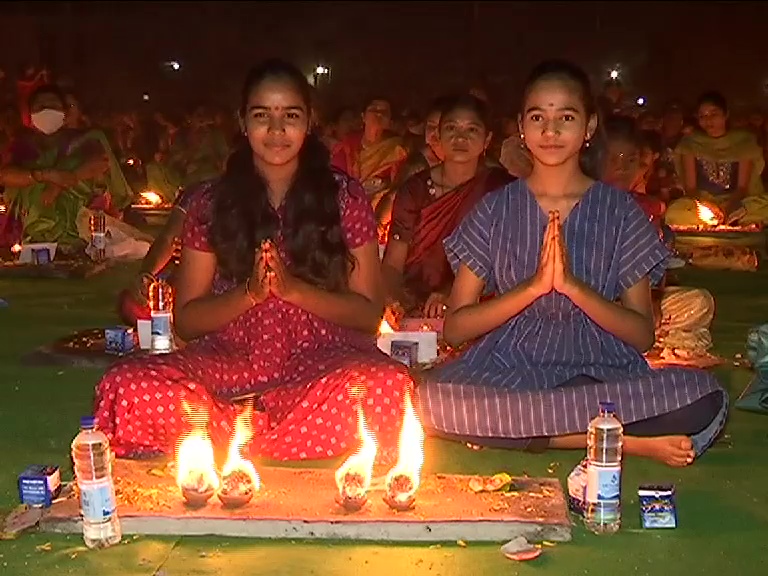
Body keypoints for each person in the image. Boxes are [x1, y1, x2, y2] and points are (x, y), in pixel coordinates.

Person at [95, 59, 411, 461]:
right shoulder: (210, 202)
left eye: (290, 116)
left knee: (387, 385)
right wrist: (250, 294)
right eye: (262, 116)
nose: (276, 130)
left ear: (310, 121)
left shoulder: (344, 197)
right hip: (231, 361)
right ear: (242, 122)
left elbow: (369, 314)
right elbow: (188, 321)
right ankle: (275, 434)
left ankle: (234, 434)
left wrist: (294, 291)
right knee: (127, 385)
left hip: (321, 359)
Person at [416, 60, 727, 467]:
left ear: (589, 127)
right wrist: (532, 288)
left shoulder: (621, 211)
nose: (550, 131)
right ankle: (616, 440)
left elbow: (641, 336)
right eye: (537, 117)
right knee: (428, 401)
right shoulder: (495, 209)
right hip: (512, 369)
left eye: (566, 117)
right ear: (521, 128)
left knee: (705, 395)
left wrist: (572, 288)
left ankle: (554, 430)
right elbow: (456, 328)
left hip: (601, 373)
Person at [382, 94, 513, 318]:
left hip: (479, 309)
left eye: (471, 130)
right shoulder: (416, 189)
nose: (460, 138)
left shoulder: (501, 189)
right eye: (451, 128)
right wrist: (394, 301)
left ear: (487, 140)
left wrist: (453, 294)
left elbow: (504, 263)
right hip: (415, 305)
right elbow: (393, 263)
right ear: (438, 136)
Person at [602, 115, 715, 361]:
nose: (621, 167)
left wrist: (654, 298)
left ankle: (637, 343)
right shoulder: (579, 203)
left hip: (632, 313)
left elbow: (656, 272)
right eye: (612, 159)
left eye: (630, 160)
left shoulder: (644, 209)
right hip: (591, 313)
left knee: (699, 303)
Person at [0, 84, 133, 247]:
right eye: (40, 107)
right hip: (33, 232)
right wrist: (45, 175)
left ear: (64, 114)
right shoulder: (23, 146)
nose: (47, 110)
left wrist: (62, 182)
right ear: (30, 115)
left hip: (83, 231)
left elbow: (99, 163)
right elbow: (6, 175)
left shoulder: (87, 139)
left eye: (53, 106)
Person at [666, 91, 768, 226]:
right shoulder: (690, 143)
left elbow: (742, 187)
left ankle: (728, 219)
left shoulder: (743, 142)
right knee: (675, 212)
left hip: (735, 201)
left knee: (762, 209)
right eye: (703, 116)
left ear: (726, 114)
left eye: (714, 114)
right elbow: (691, 189)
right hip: (704, 203)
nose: (708, 120)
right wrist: (706, 206)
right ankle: (724, 222)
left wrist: (730, 206)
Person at [117, 183, 206, 325]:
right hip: (189, 278)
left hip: (231, 287)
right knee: (133, 302)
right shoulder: (200, 193)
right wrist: (146, 275)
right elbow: (168, 238)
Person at [331, 97, 408, 213]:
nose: (378, 114)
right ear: (363, 116)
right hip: (347, 212)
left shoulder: (398, 150)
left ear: (390, 121)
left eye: (384, 111)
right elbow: (334, 182)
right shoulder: (347, 146)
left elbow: (398, 187)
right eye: (374, 109)